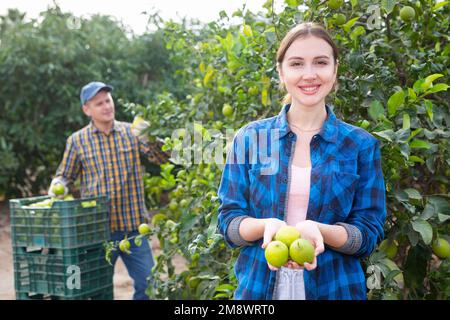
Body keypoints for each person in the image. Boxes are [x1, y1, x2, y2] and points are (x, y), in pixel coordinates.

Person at [217, 22, 387, 300]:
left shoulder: (360, 145)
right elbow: (229, 223)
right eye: (296, 64)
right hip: (259, 290)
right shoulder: (250, 139)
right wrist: (265, 226)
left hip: (336, 290)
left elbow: (368, 234)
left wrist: (321, 230)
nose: (309, 74)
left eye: (320, 62)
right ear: (281, 72)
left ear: (335, 69)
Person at [48, 81, 170, 300]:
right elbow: (65, 175)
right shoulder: (77, 141)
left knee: (149, 285)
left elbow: (161, 158)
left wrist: (150, 137)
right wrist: (58, 185)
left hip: (134, 227)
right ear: (87, 109)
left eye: (108, 100)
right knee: (98, 290)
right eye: (99, 103)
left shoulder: (131, 133)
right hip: (98, 230)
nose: (106, 106)